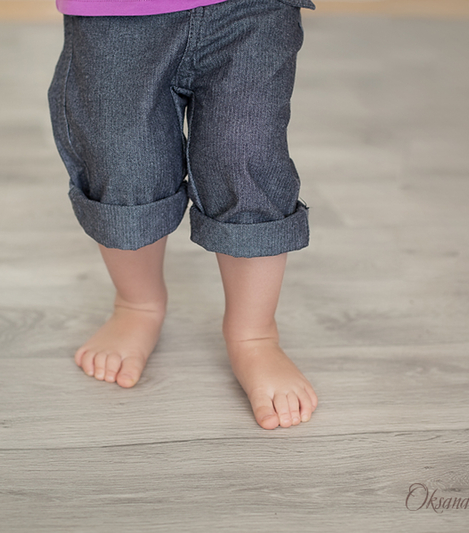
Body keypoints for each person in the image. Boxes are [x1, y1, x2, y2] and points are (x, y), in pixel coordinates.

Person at [48, 0, 318, 429]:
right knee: (122, 159)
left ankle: (254, 333)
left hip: (252, 8)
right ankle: (137, 304)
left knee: (246, 155)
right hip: (114, 14)